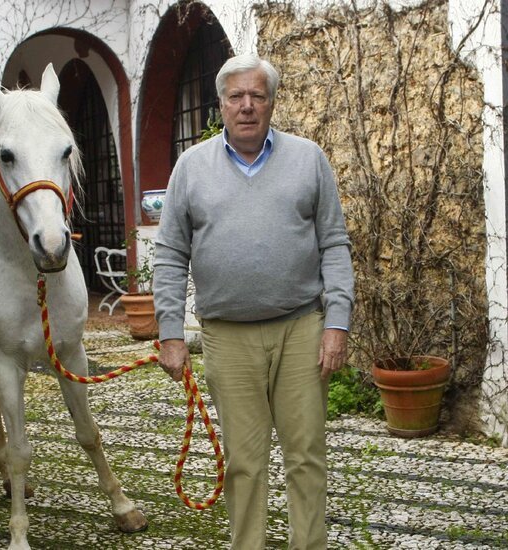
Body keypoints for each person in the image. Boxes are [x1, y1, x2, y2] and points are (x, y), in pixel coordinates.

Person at [153, 53, 355, 549]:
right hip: (227, 335)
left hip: (301, 329)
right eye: (236, 96)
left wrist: (337, 323)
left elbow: (334, 243)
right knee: (244, 462)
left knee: (306, 455)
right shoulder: (191, 168)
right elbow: (171, 253)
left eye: (257, 96)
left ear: (272, 102)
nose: (247, 106)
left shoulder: (308, 158)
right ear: (221, 104)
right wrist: (170, 332)